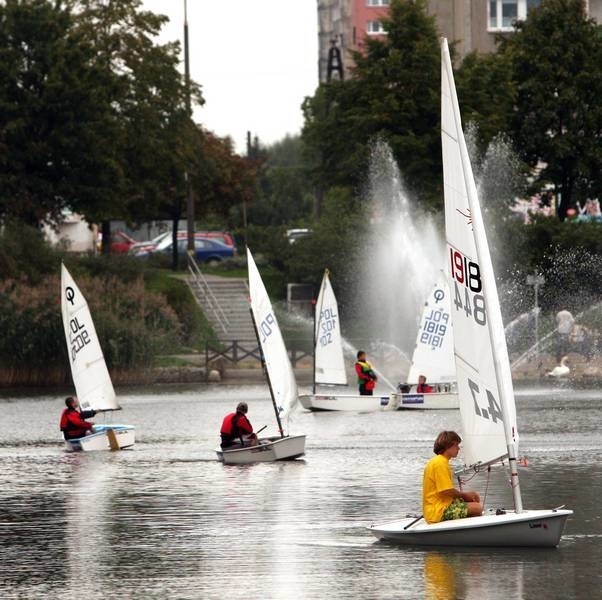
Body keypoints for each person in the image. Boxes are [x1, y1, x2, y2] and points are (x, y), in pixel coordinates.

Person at [422, 430, 483, 524]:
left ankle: (467, 523)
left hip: (441, 504)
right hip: (438, 511)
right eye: (456, 445)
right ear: (448, 446)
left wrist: (467, 496)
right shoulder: (439, 463)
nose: (458, 449)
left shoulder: (440, 461)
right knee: (477, 508)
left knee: (474, 497)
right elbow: (446, 490)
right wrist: (464, 495)